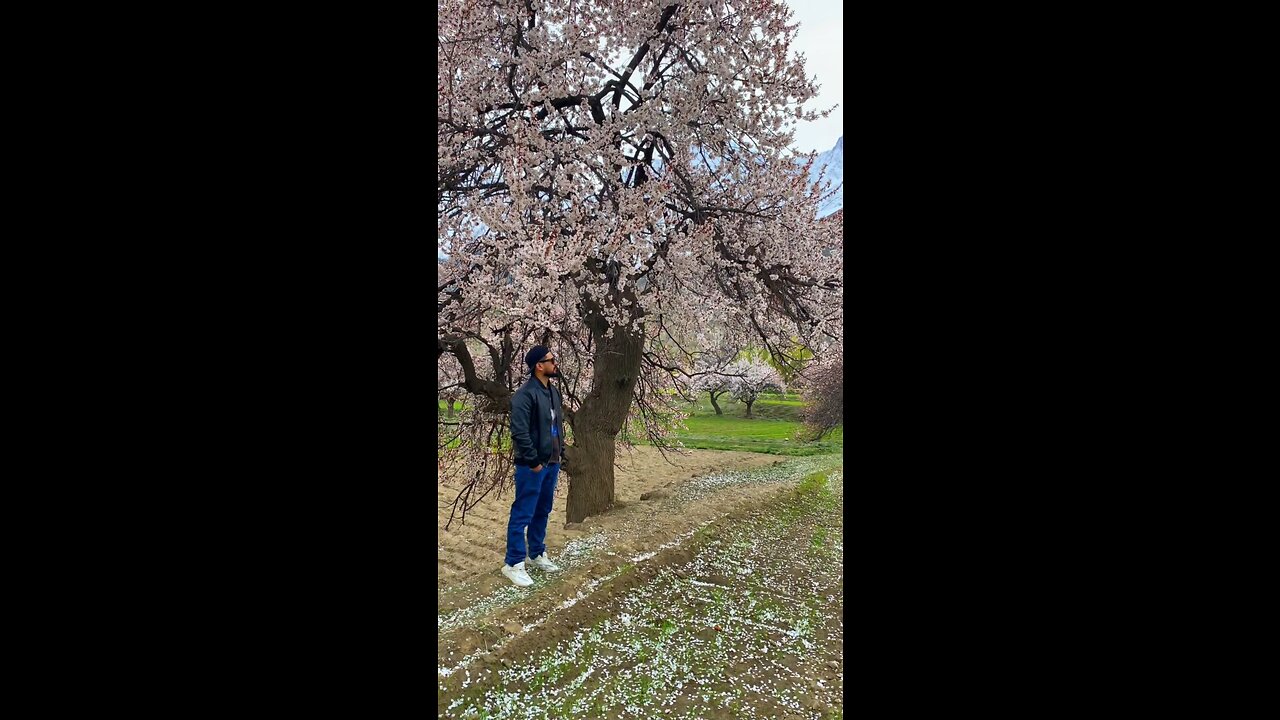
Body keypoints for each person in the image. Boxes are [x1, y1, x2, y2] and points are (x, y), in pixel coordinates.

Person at [502, 345, 566, 587]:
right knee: (523, 513)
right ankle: (513, 563)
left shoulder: (553, 392)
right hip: (532, 466)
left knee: (543, 509)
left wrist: (561, 453)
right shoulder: (524, 395)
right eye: (551, 360)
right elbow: (519, 431)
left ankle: (536, 553)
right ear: (539, 366)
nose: (554, 363)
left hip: (552, 463)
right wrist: (534, 462)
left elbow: (557, 426)